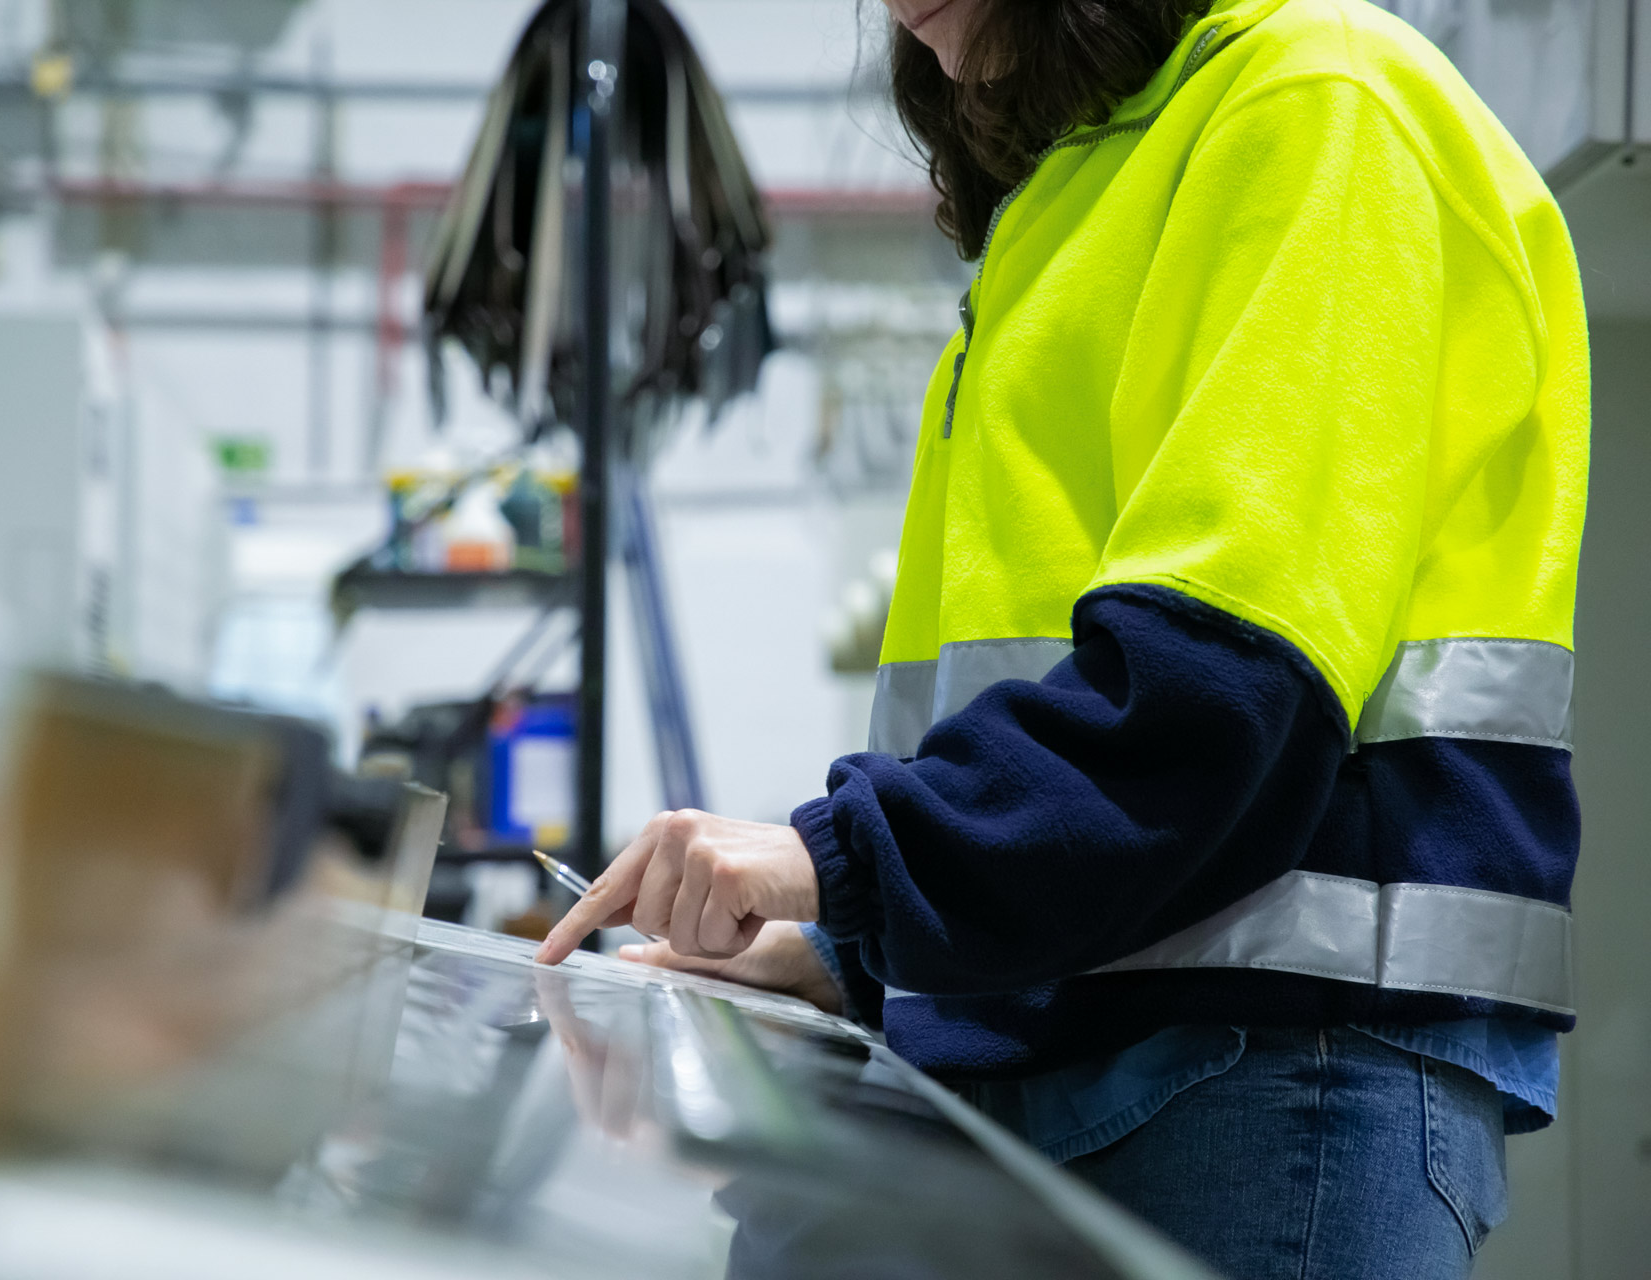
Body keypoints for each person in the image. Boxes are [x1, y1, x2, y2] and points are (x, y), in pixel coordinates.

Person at [537, 0, 1588, 1274]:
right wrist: (856, 951)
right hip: (1101, 1050)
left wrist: (850, 862)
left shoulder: (1316, 102)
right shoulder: (1075, 198)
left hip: (1272, 1082)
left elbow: (1221, 693)